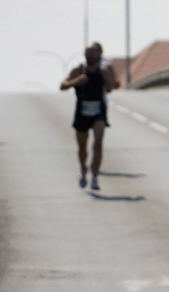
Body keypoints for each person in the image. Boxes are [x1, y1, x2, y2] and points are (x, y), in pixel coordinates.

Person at [60, 42, 116, 190]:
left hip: (98, 112)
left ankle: (95, 177)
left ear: (99, 54)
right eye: (87, 52)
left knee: (98, 144)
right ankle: (83, 169)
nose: (89, 55)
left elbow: (110, 89)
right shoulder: (78, 70)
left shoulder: (104, 70)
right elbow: (62, 86)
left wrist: (108, 80)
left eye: (92, 52)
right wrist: (76, 81)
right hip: (82, 112)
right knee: (82, 148)